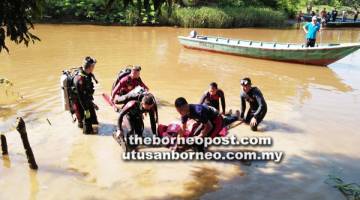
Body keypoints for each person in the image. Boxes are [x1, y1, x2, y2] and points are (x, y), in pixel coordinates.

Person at [72, 56, 99, 134]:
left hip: (87, 101)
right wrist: (86, 110)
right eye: (93, 66)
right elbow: (80, 97)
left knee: (94, 121)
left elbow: (86, 93)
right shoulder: (79, 79)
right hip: (81, 104)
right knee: (87, 128)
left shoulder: (87, 74)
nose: (94, 67)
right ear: (90, 67)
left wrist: (92, 104)